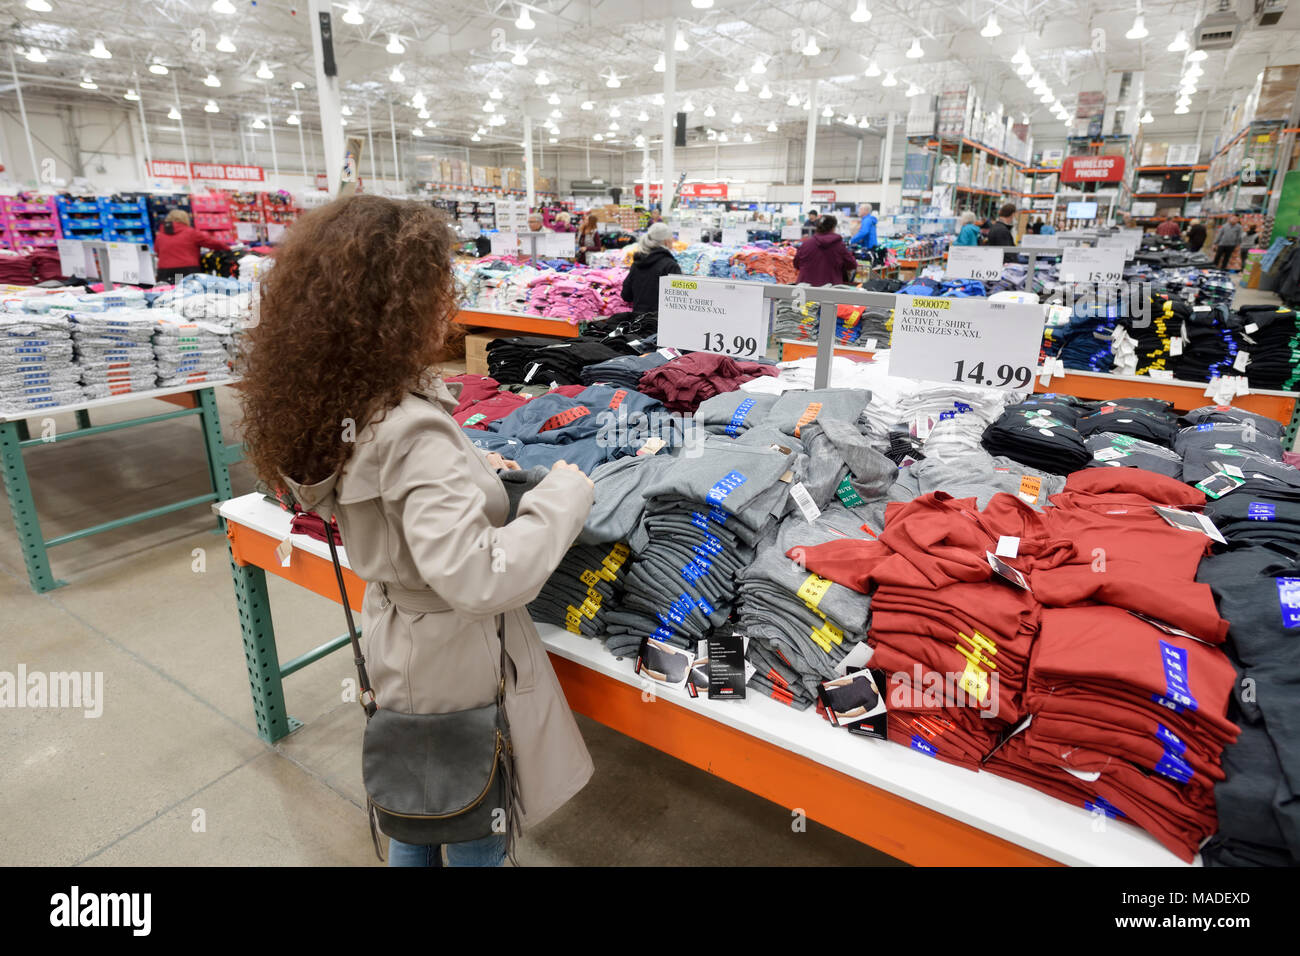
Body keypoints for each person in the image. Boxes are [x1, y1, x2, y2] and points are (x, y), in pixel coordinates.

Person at [238, 195, 595, 867]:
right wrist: (562, 497)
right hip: (454, 660)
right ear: (398, 303)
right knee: (472, 819)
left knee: (418, 802)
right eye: (437, 285)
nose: (447, 304)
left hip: (396, 636)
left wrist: (466, 464)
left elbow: (380, 493)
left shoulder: (336, 403)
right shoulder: (413, 427)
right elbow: (480, 577)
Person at [154, 209, 232, 284]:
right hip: (185, 270)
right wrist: (227, 248)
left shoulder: (160, 235)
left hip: (164, 272)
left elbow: (157, 251)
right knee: (184, 293)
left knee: (166, 294)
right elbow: (211, 243)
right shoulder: (190, 232)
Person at [620, 221, 682, 313]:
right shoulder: (670, 265)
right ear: (666, 241)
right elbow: (679, 301)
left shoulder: (637, 262)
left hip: (638, 322)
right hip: (660, 322)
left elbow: (626, 295)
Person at [794, 214, 858, 287]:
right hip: (830, 289)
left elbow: (796, 264)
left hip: (805, 288)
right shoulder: (839, 245)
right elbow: (852, 264)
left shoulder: (806, 244)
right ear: (833, 227)